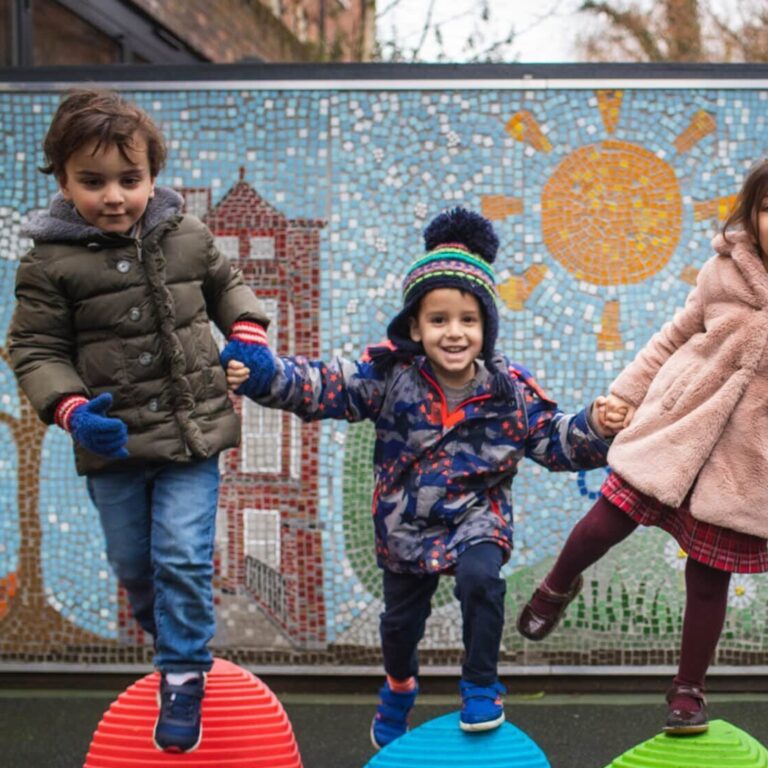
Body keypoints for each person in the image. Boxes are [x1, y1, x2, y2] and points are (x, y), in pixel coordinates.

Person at [222, 207, 615, 749]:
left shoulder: (509, 392)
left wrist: (596, 424)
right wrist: (266, 374)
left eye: (468, 320)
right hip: (405, 525)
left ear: (487, 328)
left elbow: (555, 440)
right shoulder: (389, 380)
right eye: (438, 320)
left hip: (477, 519)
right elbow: (322, 385)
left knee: (482, 578)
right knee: (400, 626)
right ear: (414, 327)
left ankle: (480, 685)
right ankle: (399, 686)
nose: (454, 333)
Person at [8, 90, 272, 754]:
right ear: (63, 182)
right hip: (114, 444)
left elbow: (226, 284)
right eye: (93, 182)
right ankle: (171, 631)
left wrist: (244, 330)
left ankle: (183, 671)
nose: (116, 196)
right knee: (133, 562)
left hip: (192, 434)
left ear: (153, 175)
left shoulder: (186, 235)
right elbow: (36, 349)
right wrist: (69, 410)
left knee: (181, 554)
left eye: (130, 179)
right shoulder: (48, 264)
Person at [517, 159, 768, 736]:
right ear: (751, 213)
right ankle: (557, 585)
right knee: (606, 521)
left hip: (741, 456)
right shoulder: (723, 271)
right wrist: (625, 396)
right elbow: (672, 338)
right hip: (676, 426)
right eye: (767, 206)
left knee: (709, 575)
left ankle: (688, 688)